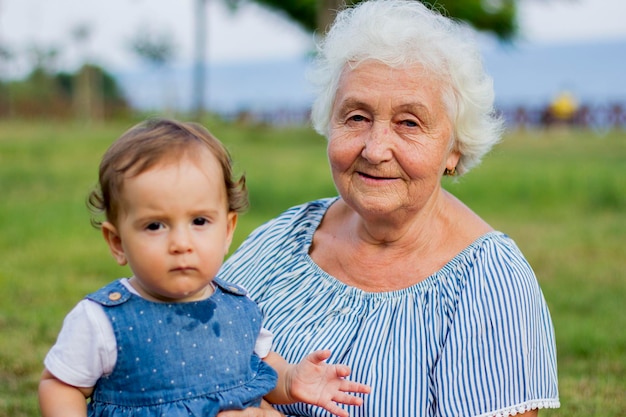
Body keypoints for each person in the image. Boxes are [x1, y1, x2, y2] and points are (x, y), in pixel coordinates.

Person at [217, 1, 560, 416]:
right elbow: (188, 342)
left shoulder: (489, 283)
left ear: (454, 148)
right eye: (357, 117)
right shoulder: (283, 240)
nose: (375, 149)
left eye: (409, 123)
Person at [38, 118, 370, 417]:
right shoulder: (103, 321)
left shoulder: (238, 308)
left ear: (227, 231)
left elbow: (261, 367)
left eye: (199, 221)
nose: (181, 243)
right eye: (155, 226)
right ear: (117, 242)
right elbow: (61, 385)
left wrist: (292, 379)